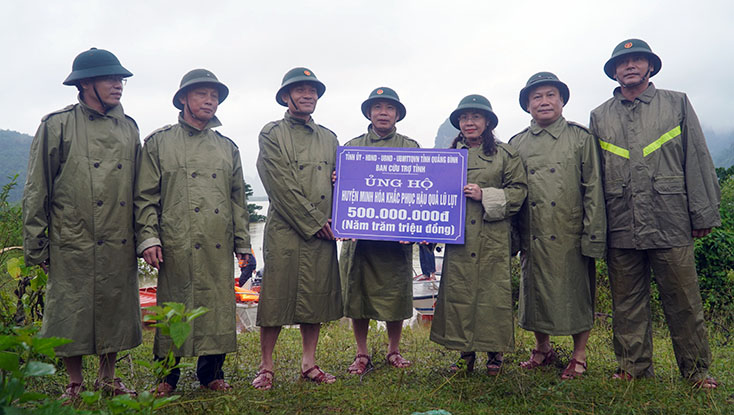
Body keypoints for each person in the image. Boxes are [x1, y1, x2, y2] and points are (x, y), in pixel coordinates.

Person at [590, 39, 721, 388]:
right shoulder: (599, 115)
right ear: (614, 71)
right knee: (626, 302)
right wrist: (596, 228)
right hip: (621, 223)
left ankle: (696, 372)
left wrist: (703, 213)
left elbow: (697, 157)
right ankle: (633, 367)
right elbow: (594, 177)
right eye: (623, 62)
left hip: (671, 218)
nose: (630, 66)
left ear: (650, 67)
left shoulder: (675, 103)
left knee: (683, 300)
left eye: (637, 60)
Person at [22, 48, 142, 399]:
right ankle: (74, 383)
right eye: (110, 78)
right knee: (70, 309)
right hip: (72, 235)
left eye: (120, 79)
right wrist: (37, 244)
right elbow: (36, 188)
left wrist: (143, 235)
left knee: (115, 305)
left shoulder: (129, 128)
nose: (118, 85)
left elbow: (138, 188)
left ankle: (109, 378)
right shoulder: (57, 124)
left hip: (119, 234)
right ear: (86, 83)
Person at [134, 69, 251, 395]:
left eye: (214, 95)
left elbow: (237, 201)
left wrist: (244, 244)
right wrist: (149, 237)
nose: (209, 100)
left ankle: (211, 373)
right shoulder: (159, 143)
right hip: (176, 240)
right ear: (184, 98)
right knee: (174, 306)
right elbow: (145, 196)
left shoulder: (227, 147)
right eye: (202, 94)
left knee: (217, 307)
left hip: (217, 240)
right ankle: (166, 377)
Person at [509, 72, 606, 379]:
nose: (544, 102)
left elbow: (593, 188)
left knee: (578, 294)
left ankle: (579, 356)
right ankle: (542, 348)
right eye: (536, 97)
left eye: (550, 95)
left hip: (570, 232)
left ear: (562, 100)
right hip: (533, 233)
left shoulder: (580, 138)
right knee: (535, 293)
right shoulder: (517, 143)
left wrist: (593, 235)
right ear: (527, 106)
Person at [253, 67, 343, 390]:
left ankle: (309, 362)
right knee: (275, 298)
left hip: (325, 230)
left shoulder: (330, 138)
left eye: (313, 91)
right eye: (301, 90)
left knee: (315, 298)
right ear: (286, 97)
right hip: (286, 230)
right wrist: (315, 222)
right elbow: (280, 185)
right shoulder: (271, 133)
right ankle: (266, 366)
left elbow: (345, 183)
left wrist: (340, 186)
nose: (308, 96)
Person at [430, 95, 527, 375]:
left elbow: (518, 191)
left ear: (487, 122)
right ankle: (465, 354)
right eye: (464, 118)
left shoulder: (505, 154)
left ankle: (495, 354)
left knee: (492, 295)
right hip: (459, 238)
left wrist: (485, 194)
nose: (469, 122)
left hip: (492, 237)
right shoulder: (447, 158)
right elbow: (429, 194)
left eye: (475, 117)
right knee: (458, 294)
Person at [340, 87, 418, 375]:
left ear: (397, 114)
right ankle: (361, 353)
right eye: (378, 108)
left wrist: (415, 228)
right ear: (369, 113)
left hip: (395, 241)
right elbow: (339, 193)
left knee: (396, 294)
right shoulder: (351, 147)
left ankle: (393, 350)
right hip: (361, 241)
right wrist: (338, 178)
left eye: (389, 108)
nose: (383, 113)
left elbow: (420, 192)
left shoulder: (411, 148)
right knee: (358, 297)